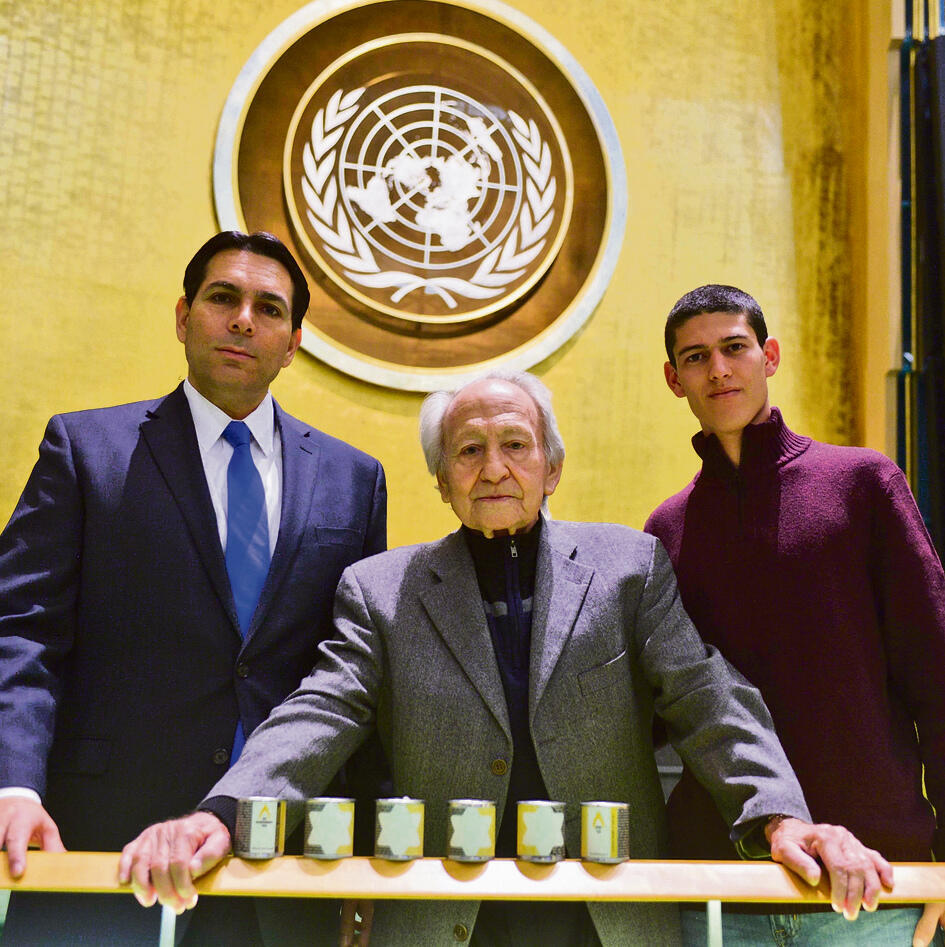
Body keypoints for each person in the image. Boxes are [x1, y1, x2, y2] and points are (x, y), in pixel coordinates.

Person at [121, 370, 891, 946]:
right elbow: (320, 708)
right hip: (445, 920)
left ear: (551, 469)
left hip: (606, 917)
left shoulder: (629, 568)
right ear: (443, 481)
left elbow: (706, 699)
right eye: (469, 450)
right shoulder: (380, 590)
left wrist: (780, 816)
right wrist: (224, 812)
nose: (493, 467)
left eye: (515, 445)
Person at [0, 231, 387, 945]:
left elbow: (353, 675)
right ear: (183, 317)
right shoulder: (87, 451)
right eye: (222, 298)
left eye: (269, 309)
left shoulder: (353, 480)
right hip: (96, 844)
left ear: (294, 340)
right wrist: (13, 785)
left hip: (271, 856)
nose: (244, 319)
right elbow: (21, 629)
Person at [645, 283, 945, 946]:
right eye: (695, 358)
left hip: (876, 882)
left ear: (769, 355)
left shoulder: (861, 484)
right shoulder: (666, 530)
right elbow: (663, 712)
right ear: (673, 379)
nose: (717, 369)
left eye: (734, 348)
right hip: (721, 888)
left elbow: (935, 670)